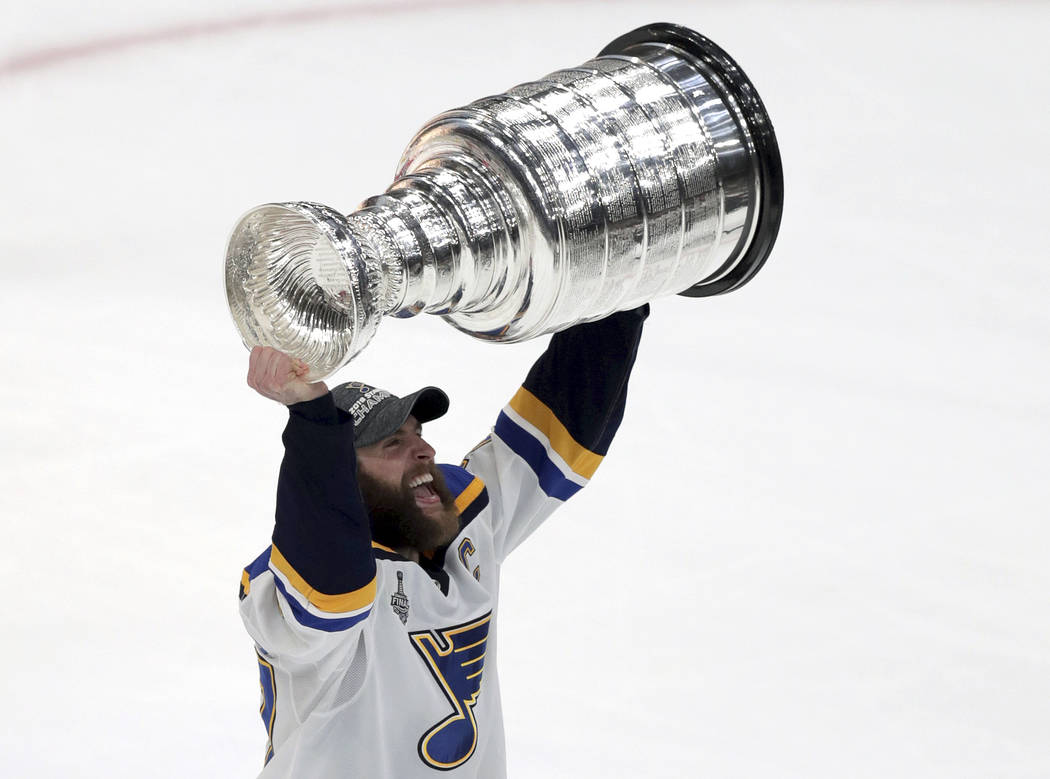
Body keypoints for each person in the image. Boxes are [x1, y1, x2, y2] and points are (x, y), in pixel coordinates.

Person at [238, 305, 648, 777]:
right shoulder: (291, 598)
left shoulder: (464, 521)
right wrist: (312, 418)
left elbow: (558, 432)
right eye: (392, 445)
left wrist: (617, 297)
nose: (424, 449)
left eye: (417, 433)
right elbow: (331, 581)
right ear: (343, 485)